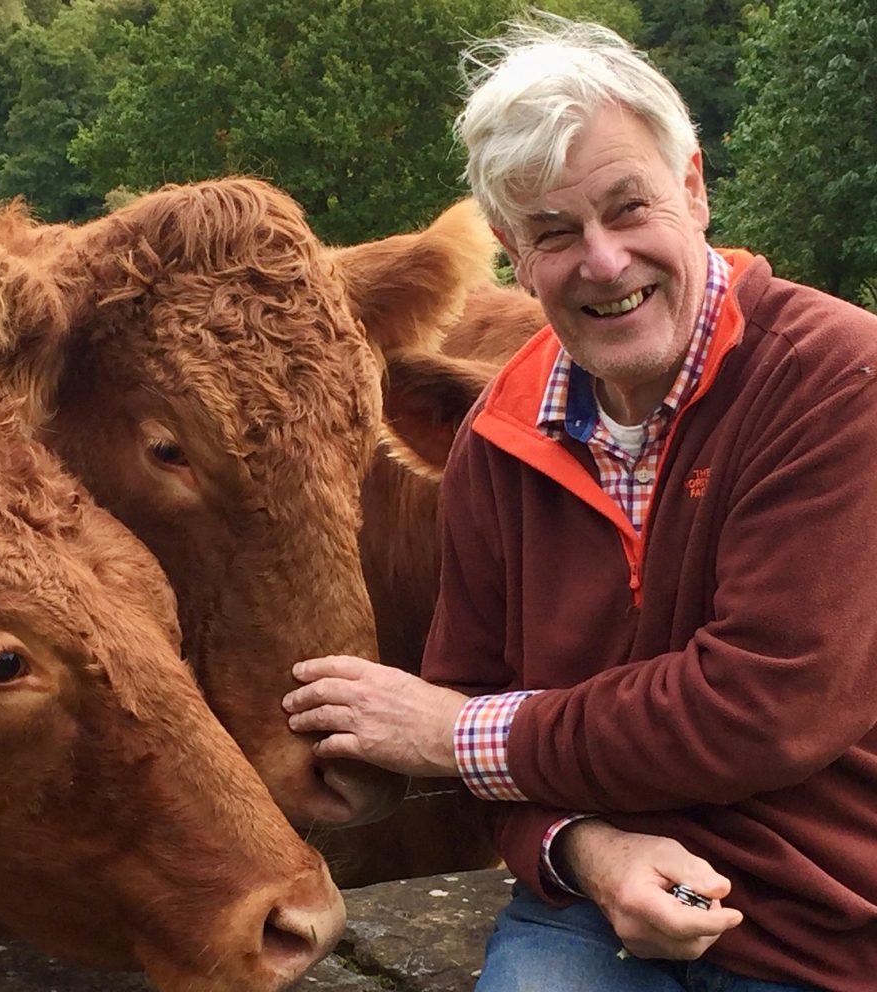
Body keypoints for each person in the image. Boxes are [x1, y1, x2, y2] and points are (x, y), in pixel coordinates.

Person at [282, 13, 877, 992]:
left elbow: (761, 706)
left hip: (820, 925)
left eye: (626, 207)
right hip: (585, 912)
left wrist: (447, 734)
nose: (601, 261)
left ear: (691, 189)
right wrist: (585, 849)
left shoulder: (835, 385)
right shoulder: (497, 437)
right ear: (513, 250)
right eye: (553, 231)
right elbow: (476, 701)